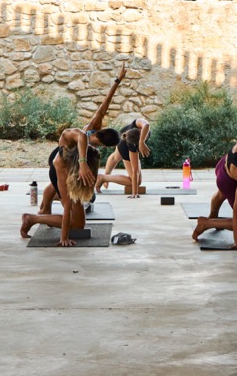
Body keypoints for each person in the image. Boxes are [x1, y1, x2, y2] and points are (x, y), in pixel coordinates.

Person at [21, 65, 127, 245]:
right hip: (62, 162)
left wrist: (117, 82)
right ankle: (33, 218)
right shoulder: (80, 136)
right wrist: (64, 238)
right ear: (99, 140)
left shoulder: (94, 130)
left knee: (73, 210)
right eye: (100, 145)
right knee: (69, 206)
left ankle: (44, 209)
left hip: (71, 165)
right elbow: (81, 139)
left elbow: (104, 105)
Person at [95, 117, 151, 198]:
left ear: (140, 130)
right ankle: (103, 178)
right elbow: (135, 170)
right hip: (124, 142)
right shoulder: (132, 146)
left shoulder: (139, 124)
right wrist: (135, 193)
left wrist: (142, 142)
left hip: (125, 134)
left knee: (116, 156)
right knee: (136, 181)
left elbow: (147, 124)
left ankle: (107, 174)